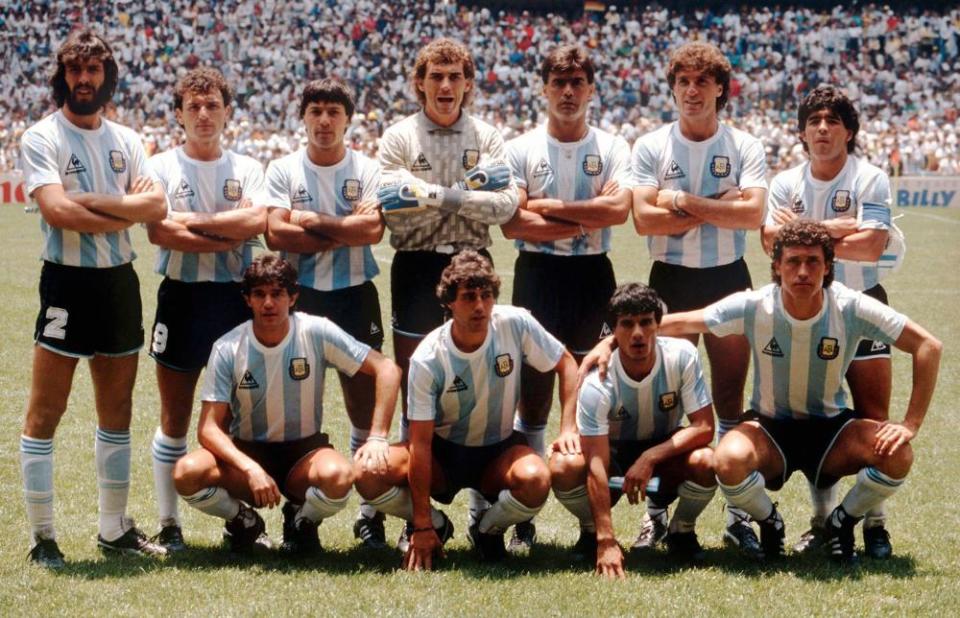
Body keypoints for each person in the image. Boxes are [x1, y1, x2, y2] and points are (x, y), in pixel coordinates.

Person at [668, 220, 938, 562]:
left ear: (827, 268)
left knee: (898, 454)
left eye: (813, 261)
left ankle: (841, 522)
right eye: (793, 261)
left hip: (831, 429)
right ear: (777, 266)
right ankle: (769, 521)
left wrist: (911, 423)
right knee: (727, 459)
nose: (803, 271)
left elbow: (929, 346)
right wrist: (609, 344)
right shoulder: (755, 305)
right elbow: (679, 323)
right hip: (770, 429)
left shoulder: (850, 306)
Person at [18, 29, 167, 568]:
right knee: (46, 411)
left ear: (108, 77)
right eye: (76, 70)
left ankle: (113, 531)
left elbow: (157, 210)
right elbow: (57, 212)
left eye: (94, 70)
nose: (84, 79)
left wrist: (95, 202)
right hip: (66, 282)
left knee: (117, 410)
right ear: (63, 76)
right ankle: (42, 537)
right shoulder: (41, 137)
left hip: (118, 283)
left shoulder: (127, 140)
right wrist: (124, 208)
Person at [377, 37, 519, 546]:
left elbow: (504, 207)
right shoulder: (398, 137)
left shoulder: (487, 134)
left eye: (454, 76)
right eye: (435, 76)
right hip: (415, 266)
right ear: (419, 83)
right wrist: (461, 195)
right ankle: (411, 507)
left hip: (473, 264)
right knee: (419, 377)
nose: (444, 85)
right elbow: (390, 206)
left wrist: (430, 196)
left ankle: (486, 503)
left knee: (485, 378)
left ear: (468, 83)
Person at [629, 41, 767, 555]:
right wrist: (720, 204)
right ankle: (656, 515)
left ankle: (735, 515)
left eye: (702, 82)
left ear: (719, 90)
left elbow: (752, 216)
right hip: (668, 279)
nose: (692, 90)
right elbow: (644, 219)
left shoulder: (744, 145)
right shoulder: (650, 145)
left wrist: (683, 201)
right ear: (673, 89)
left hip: (729, 276)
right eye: (683, 82)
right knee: (665, 403)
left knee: (730, 399)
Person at [353, 251, 578, 568]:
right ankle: (439, 525)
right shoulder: (428, 357)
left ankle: (487, 529)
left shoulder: (515, 323)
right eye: (469, 297)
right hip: (443, 455)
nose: (480, 306)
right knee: (366, 472)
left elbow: (566, 363)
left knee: (537, 479)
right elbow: (420, 444)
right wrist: (422, 524)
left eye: (486, 296)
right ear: (449, 302)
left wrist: (568, 427)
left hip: (498, 450)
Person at [172, 254, 401, 554]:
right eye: (259, 294)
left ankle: (302, 522)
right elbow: (209, 429)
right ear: (247, 300)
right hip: (247, 452)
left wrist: (377, 437)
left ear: (293, 297)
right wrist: (250, 468)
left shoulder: (315, 331)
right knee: (186, 473)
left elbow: (387, 369)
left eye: (277, 294)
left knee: (340, 476)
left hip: (303, 454)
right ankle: (243, 521)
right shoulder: (228, 347)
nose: (268, 303)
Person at [500, 44, 633, 553]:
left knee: (595, 388)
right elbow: (513, 220)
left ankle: (586, 515)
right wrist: (584, 217)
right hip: (536, 274)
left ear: (591, 89)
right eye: (559, 83)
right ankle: (524, 512)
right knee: (532, 390)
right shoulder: (520, 149)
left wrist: (553, 211)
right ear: (544, 89)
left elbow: (618, 210)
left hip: (593, 275)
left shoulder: (613, 145)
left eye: (578, 82)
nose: (569, 91)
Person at [762, 84, 903, 559]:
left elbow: (872, 245)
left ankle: (873, 523)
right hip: (803, 309)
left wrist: (804, 233)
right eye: (814, 121)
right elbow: (769, 242)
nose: (822, 129)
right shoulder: (785, 182)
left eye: (833, 120)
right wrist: (846, 228)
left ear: (849, 130)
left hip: (863, 304)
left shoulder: (871, 177)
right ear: (802, 132)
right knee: (814, 413)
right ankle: (823, 521)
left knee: (874, 420)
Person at [145, 67, 268, 552]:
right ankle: (168, 524)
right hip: (180, 297)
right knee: (174, 415)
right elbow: (158, 231)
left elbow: (256, 219)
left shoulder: (248, 167)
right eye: (193, 106)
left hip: (234, 300)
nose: (203, 114)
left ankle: (240, 523)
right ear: (178, 115)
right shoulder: (159, 167)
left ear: (227, 112)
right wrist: (227, 232)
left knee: (238, 419)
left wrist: (192, 223)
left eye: (212, 105)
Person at [263, 78, 388, 549]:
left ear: (348, 119)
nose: (324, 120)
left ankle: (369, 513)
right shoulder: (282, 169)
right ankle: (300, 514)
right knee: (297, 406)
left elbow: (373, 230)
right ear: (303, 117)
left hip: (355, 293)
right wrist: (344, 227)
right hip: (302, 298)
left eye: (333, 112)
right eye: (315, 110)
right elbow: (276, 234)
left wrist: (311, 220)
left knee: (362, 405)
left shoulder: (368, 168)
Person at [551, 283, 716, 578]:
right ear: (613, 331)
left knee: (706, 461)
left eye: (645, 322)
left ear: (658, 325)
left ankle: (682, 531)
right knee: (564, 466)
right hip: (612, 451)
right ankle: (591, 534)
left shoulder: (682, 356)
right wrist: (606, 539)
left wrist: (651, 456)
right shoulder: (597, 381)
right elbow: (596, 463)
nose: (637, 333)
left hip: (663, 450)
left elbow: (704, 427)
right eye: (626, 324)